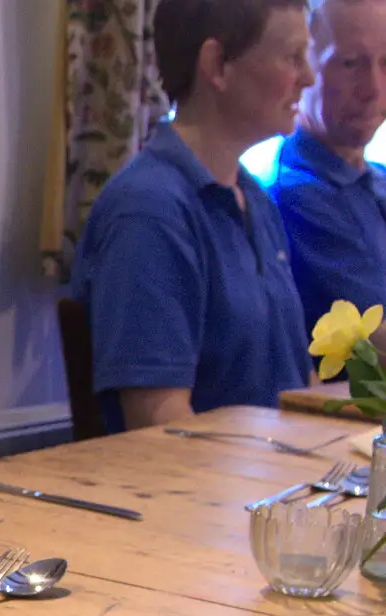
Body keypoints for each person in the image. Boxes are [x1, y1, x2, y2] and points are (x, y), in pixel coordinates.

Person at [69, 0, 316, 433]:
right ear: (217, 65)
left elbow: (295, 388)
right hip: (210, 494)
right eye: (292, 57)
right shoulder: (149, 212)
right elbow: (160, 428)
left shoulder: (254, 200)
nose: (308, 77)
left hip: (280, 488)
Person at [269, 0, 386, 338]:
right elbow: (374, 341)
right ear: (302, 68)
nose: (374, 90)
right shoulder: (293, 193)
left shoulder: (374, 179)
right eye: (350, 63)